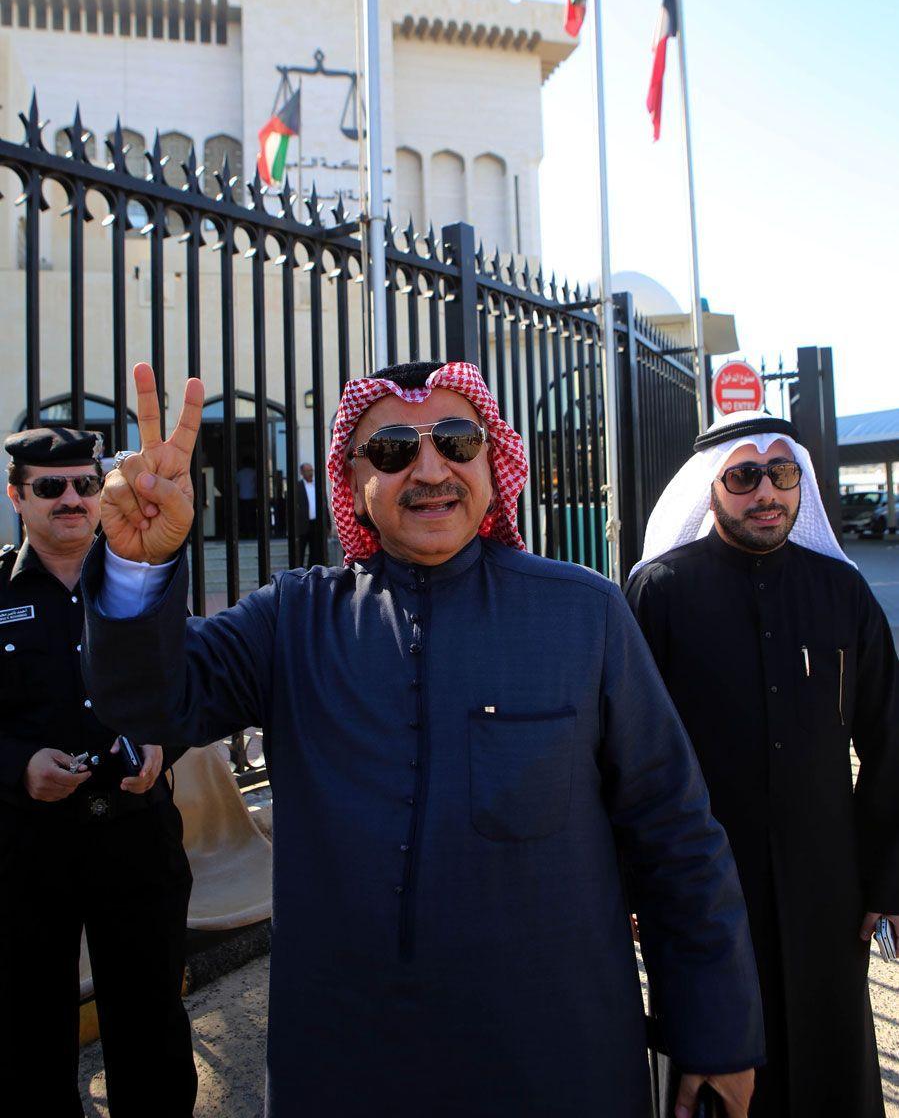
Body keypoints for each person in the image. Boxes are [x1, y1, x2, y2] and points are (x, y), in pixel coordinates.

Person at [81, 360, 765, 1118]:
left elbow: (672, 833)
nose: (430, 468)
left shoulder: (585, 616)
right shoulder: (294, 620)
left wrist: (715, 1033)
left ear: (489, 460)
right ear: (353, 480)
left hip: (554, 1057)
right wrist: (136, 569)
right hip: (345, 1064)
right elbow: (152, 706)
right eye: (394, 450)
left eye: (455, 441)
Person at [625, 410, 899, 1118]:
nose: (765, 493)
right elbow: (620, 750)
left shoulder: (841, 593)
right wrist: (626, 877)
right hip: (700, 885)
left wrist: (885, 876)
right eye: (743, 476)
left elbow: (890, 737)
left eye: (781, 474)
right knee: (714, 1070)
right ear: (708, 488)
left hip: (825, 887)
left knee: (829, 1061)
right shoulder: (658, 593)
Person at [0, 427, 196, 1118]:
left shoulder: (137, 578)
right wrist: (19, 764)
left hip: (136, 840)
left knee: (152, 1030)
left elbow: (185, 682)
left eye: (86, 484)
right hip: (27, 851)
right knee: (28, 1036)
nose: (72, 499)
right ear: (17, 495)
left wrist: (160, 744)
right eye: (50, 487)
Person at [296, 461, 330, 566]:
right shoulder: (297, 487)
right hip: (302, 525)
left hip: (316, 524)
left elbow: (325, 505)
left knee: (315, 553)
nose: (310, 473)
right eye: (307, 471)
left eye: (311, 470)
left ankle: (311, 573)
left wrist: (328, 523)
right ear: (301, 472)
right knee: (299, 553)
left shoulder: (318, 485)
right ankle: (299, 574)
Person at [236, 455, 256, 537]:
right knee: (252, 515)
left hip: (242, 497)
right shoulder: (254, 472)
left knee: (243, 516)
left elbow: (236, 485)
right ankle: (252, 531)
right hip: (252, 497)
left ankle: (244, 532)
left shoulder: (239, 473)